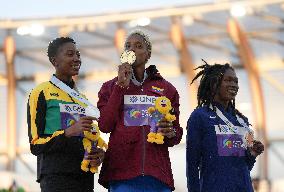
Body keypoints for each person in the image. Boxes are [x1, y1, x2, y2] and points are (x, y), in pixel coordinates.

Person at [97, 30, 183, 192]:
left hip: (157, 174)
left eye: (138, 46)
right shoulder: (109, 87)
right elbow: (105, 125)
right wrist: (120, 88)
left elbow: (176, 135)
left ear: (148, 54)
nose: (132, 49)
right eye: (128, 46)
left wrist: (170, 132)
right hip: (122, 173)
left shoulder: (167, 89)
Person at [27, 37, 105, 192]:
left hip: (85, 176)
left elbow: (90, 136)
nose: (76, 59)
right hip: (56, 176)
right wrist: (68, 132)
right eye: (70, 54)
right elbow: (35, 144)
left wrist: (99, 153)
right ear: (55, 61)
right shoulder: (41, 92)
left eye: (78, 54)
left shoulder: (82, 99)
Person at [186, 61, 264, 192]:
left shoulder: (243, 121)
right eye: (228, 80)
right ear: (214, 84)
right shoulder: (199, 117)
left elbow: (245, 166)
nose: (234, 85)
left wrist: (252, 154)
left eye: (236, 81)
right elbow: (192, 165)